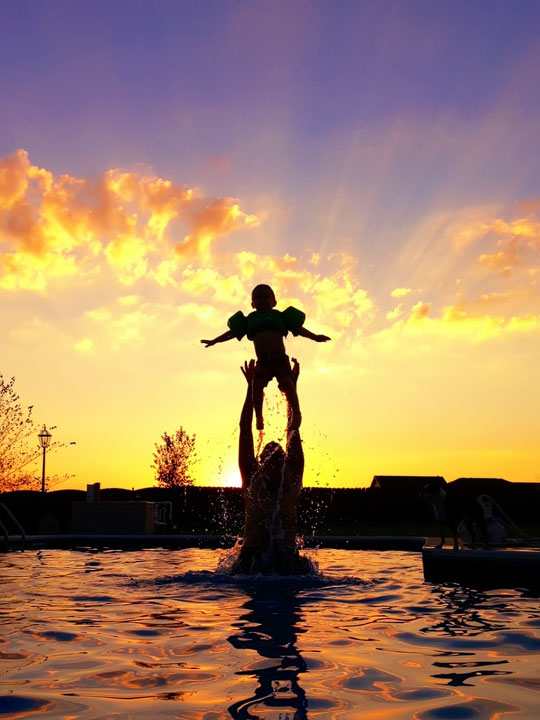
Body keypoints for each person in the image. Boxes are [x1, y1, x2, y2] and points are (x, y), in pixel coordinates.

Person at [201, 284, 330, 430]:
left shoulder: (280, 316)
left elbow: (298, 329)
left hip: (279, 358)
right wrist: (215, 341)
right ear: (252, 303)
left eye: (265, 297)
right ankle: (259, 417)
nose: (261, 300)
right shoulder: (250, 319)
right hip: (262, 362)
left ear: (274, 302)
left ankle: (297, 413)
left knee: (288, 384)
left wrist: (314, 337)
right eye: (257, 297)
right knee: (256, 387)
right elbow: (231, 333)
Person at [229, 357, 311, 575]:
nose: (274, 458)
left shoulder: (292, 478)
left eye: (278, 455)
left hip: (288, 561)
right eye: (269, 455)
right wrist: (251, 388)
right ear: (260, 462)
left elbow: (293, 427)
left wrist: (290, 391)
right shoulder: (251, 479)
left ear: (286, 461)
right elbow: (245, 428)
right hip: (251, 561)